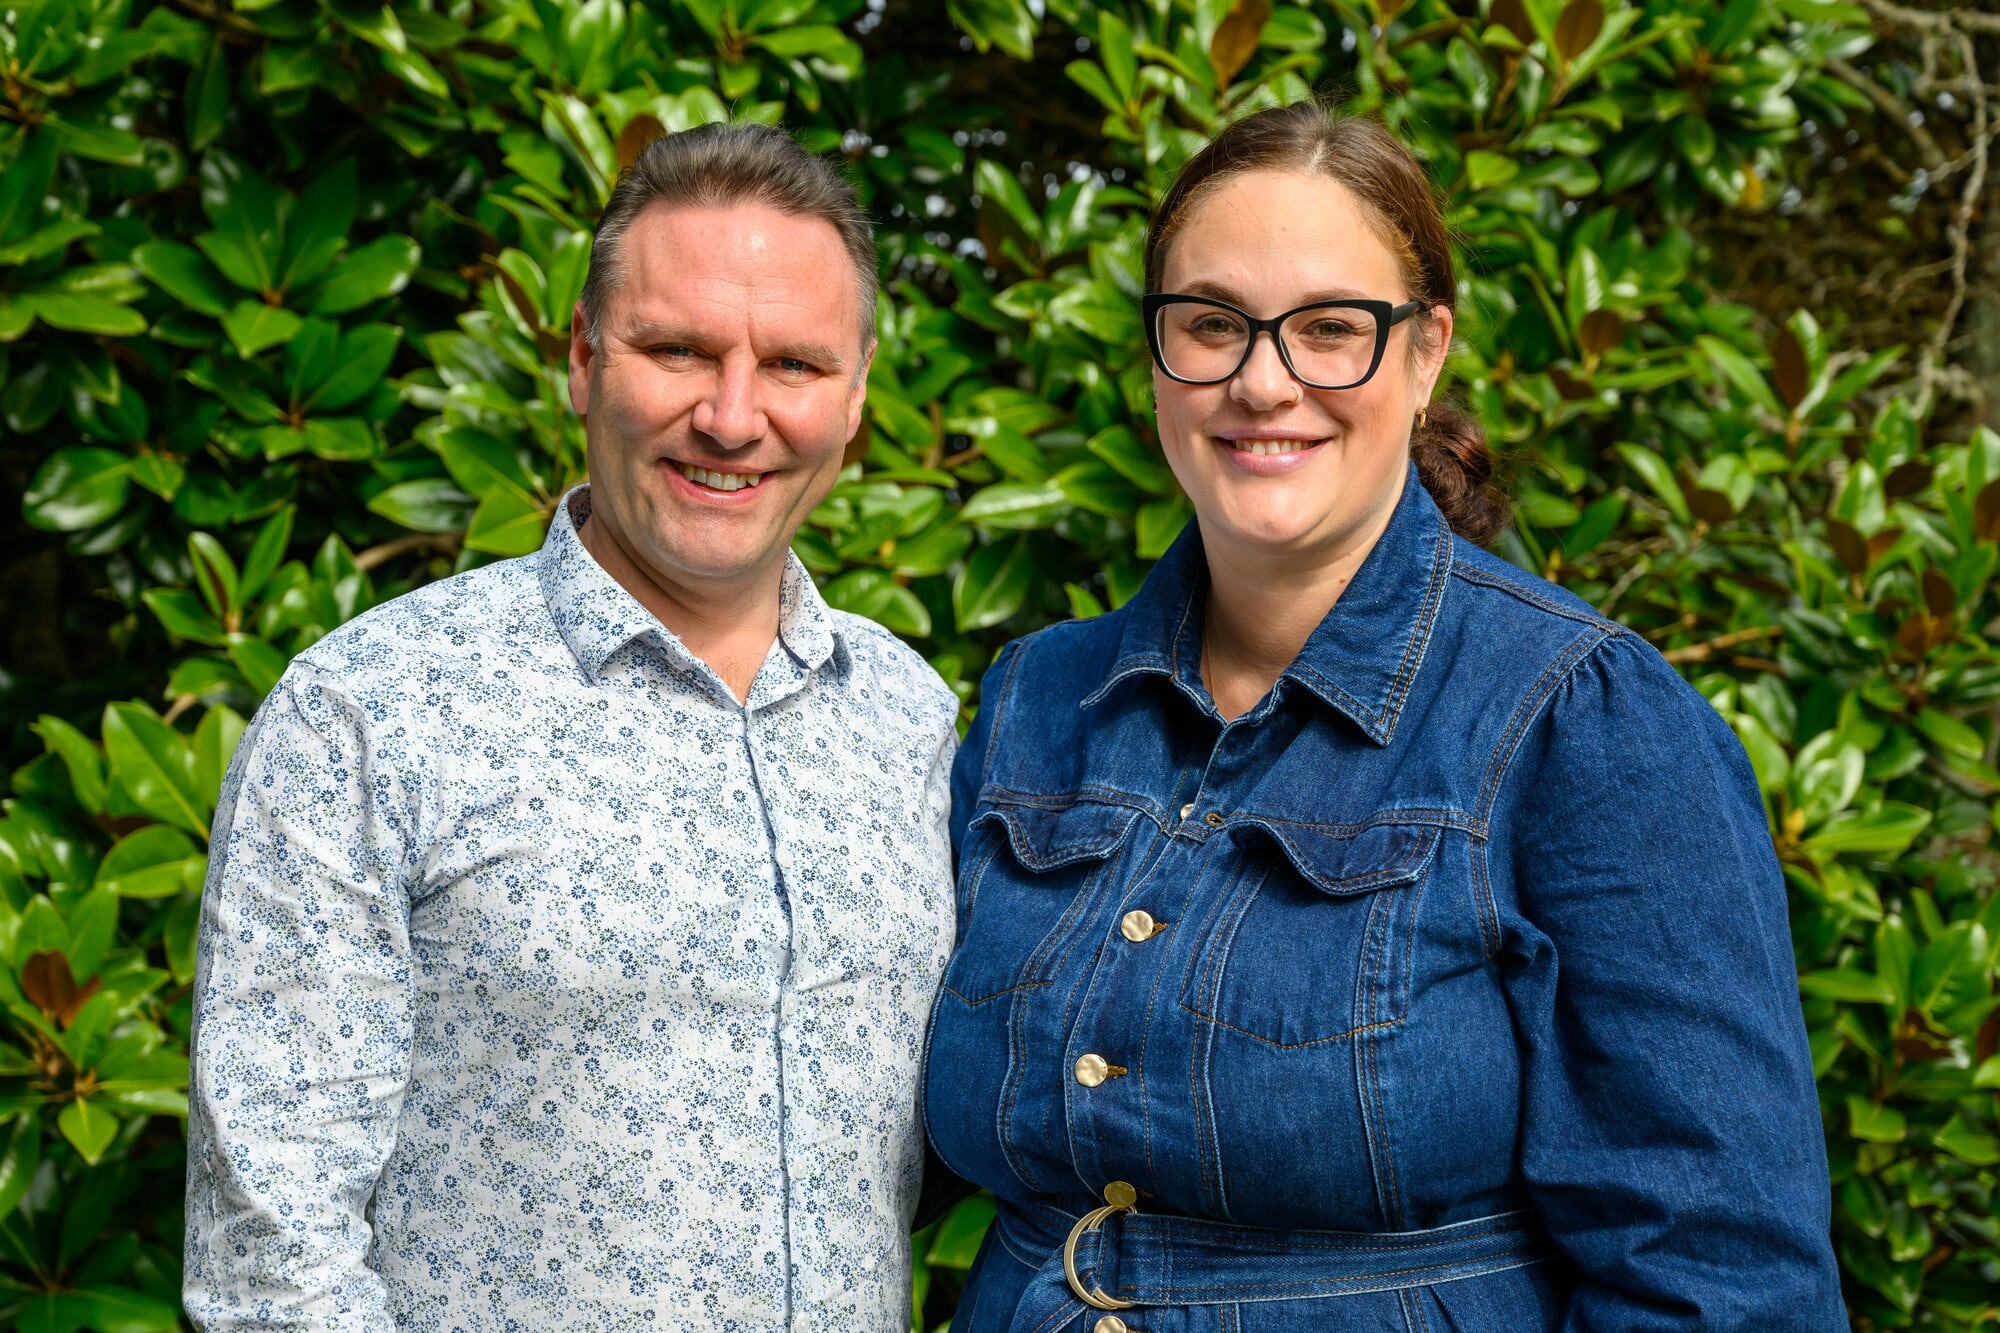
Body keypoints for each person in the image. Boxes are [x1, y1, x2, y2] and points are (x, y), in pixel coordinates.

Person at [922, 102, 1845, 1331]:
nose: (1262, 380)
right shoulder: (1040, 697)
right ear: (1156, 359)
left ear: (1424, 355)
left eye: (1329, 330)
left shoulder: (1584, 723)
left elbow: (1721, 1280)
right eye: (1209, 325)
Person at [184, 123, 960, 1331]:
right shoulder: (373, 712)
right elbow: (270, 1254)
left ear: (855, 397)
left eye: (795, 365)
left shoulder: (911, 718)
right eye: (676, 350)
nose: (733, 413)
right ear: (584, 358)